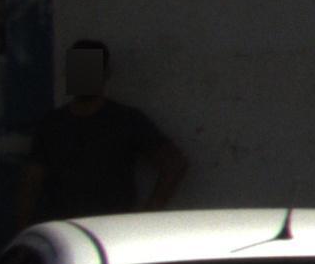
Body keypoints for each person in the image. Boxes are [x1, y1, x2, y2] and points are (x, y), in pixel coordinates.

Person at [17, 40, 189, 226]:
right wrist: (24, 230)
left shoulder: (126, 120)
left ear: (105, 74)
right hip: (66, 229)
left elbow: (174, 164)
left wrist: (145, 218)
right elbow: (31, 184)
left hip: (112, 229)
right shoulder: (52, 124)